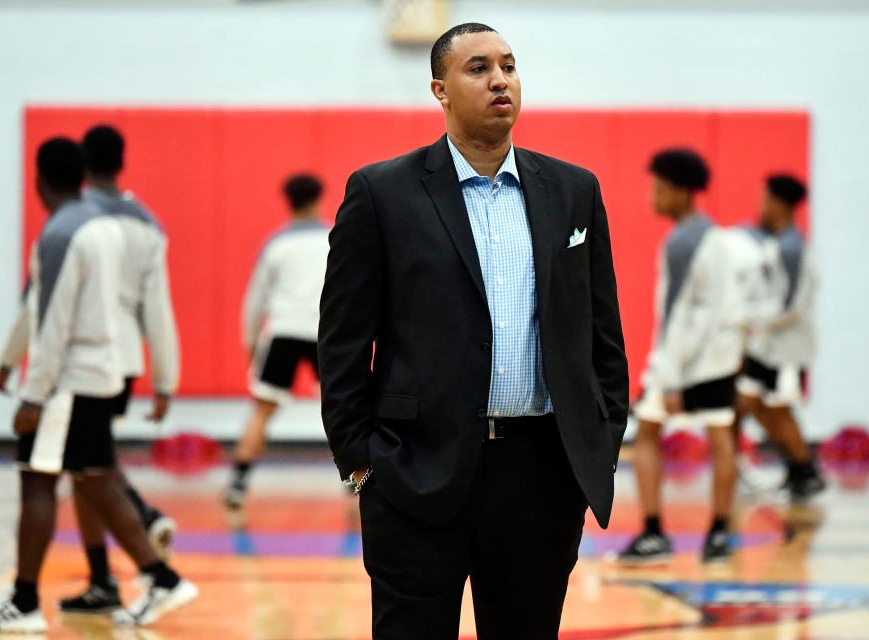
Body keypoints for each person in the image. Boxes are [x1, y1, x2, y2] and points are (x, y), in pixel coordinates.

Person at [318, 23, 628, 639]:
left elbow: (603, 335)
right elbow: (343, 342)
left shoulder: (573, 190)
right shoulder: (381, 192)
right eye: (479, 68)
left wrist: (600, 436)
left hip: (541, 474)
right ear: (440, 89)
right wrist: (361, 461)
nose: (499, 80)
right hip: (415, 470)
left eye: (509, 66)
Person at [0, 138, 196, 633]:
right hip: (108, 368)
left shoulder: (62, 232)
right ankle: (162, 577)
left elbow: (52, 321)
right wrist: (166, 376)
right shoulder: (112, 226)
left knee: (37, 478)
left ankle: (23, 602)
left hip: (71, 378)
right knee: (96, 476)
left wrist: (32, 394)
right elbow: (141, 308)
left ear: (39, 180)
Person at [619, 148, 742, 566]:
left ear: (678, 191)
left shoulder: (681, 242)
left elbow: (677, 319)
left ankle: (653, 533)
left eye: (658, 188)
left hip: (685, 365)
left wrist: (669, 377)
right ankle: (720, 535)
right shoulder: (718, 237)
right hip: (720, 361)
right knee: (722, 438)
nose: (653, 197)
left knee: (647, 436)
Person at [224, 174, 330, 510]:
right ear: (318, 199)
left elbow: (255, 300)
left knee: (263, 409)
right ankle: (355, 479)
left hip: (283, 332)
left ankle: (238, 483)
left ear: (288, 201)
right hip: (323, 333)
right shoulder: (333, 238)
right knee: (343, 408)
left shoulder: (276, 244)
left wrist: (251, 343)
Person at [736, 174, 824, 500]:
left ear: (780, 204)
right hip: (768, 347)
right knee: (752, 404)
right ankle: (795, 467)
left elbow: (790, 305)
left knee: (779, 409)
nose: (761, 206)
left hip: (787, 349)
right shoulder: (777, 243)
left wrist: (748, 319)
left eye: (765, 199)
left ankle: (805, 471)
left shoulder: (791, 247)